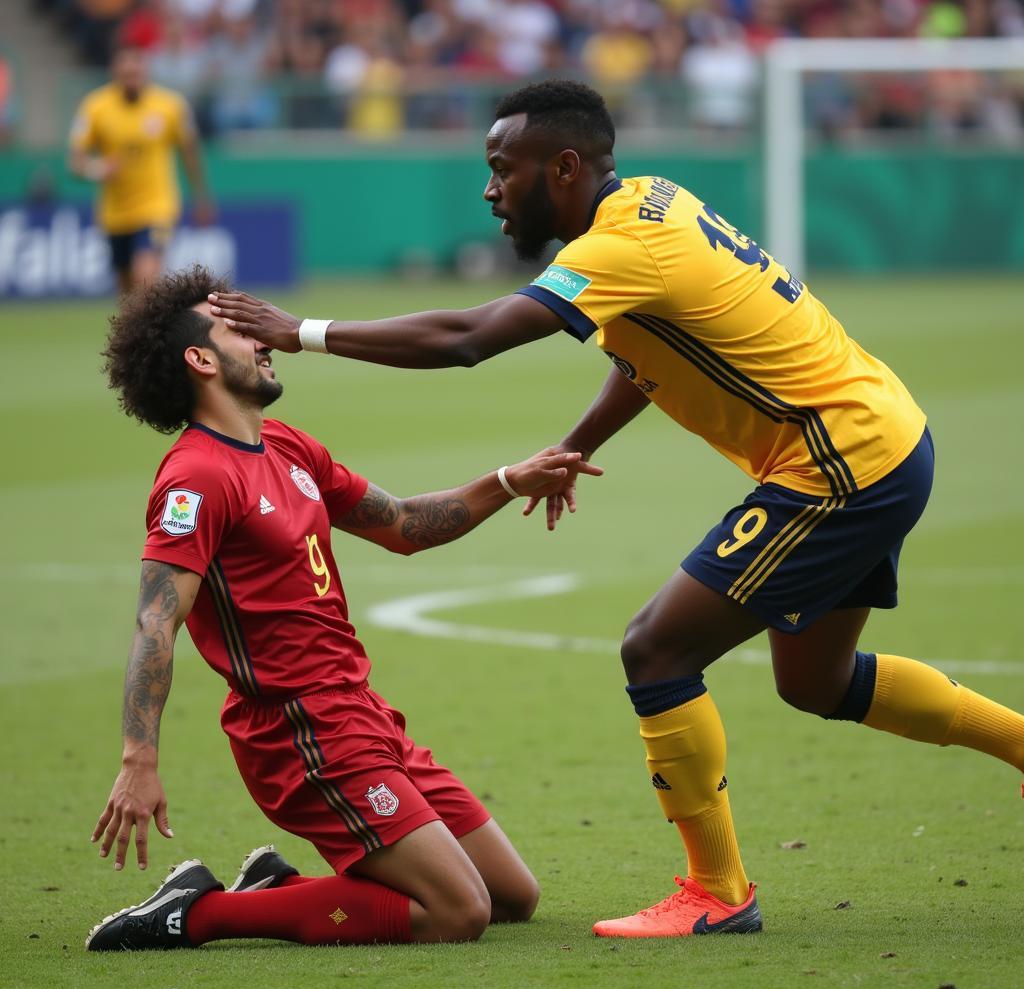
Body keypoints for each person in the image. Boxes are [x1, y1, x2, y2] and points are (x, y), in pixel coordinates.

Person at [207, 79, 1024, 940]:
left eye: (501, 169)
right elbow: (647, 346)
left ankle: (719, 893)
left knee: (656, 648)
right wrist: (579, 446)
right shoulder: (649, 205)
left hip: (839, 459)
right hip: (885, 436)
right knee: (814, 681)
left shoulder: (621, 246)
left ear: (563, 167)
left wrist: (302, 331)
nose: (489, 190)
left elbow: (467, 340)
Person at [86, 265, 601, 952]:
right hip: (300, 730)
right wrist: (137, 760)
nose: (262, 340)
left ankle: (278, 888)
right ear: (200, 358)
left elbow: (406, 525)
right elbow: (158, 620)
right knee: (457, 914)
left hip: (360, 713)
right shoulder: (196, 477)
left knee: (511, 896)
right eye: (238, 331)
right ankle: (198, 913)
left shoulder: (289, 446)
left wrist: (509, 480)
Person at [68, 44, 214, 295]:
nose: (131, 78)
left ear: (145, 71)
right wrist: (98, 169)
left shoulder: (170, 106)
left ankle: (158, 333)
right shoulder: (95, 107)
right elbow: (75, 162)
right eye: (125, 73)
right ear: (115, 72)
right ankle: (139, 334)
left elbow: (190, 152)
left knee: (145, 278)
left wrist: (201, 196)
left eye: (135, 71)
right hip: (115, 213)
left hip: (156, 206)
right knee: (126, 292)